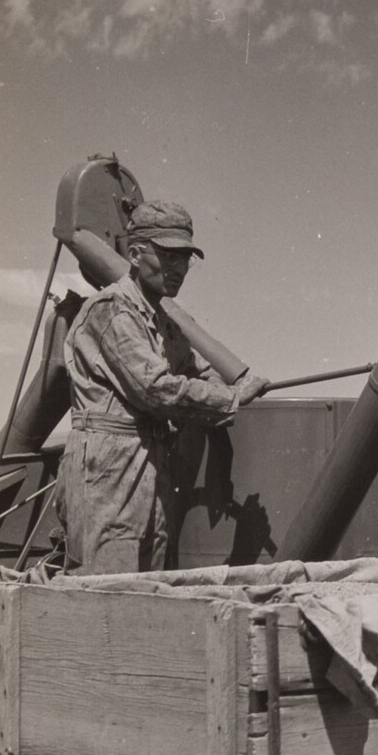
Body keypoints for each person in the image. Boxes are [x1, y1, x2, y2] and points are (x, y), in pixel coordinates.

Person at [58, 200, 269, 574]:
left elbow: (197, 370)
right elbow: (155, 389)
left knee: (152, 575)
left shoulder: (162, 321)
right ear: (136, 254)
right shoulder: (112, 311)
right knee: (110, 582)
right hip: (108, 467)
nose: (179, 269)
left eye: (185, 258)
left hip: (149, 462)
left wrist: (229, 385)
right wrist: (232, 397)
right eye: (169, 256)